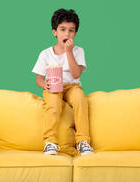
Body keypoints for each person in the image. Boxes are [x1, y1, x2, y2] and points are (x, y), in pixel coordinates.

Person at [32, 8, 94, 156]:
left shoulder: (78, 51)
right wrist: (44, 84)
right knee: (53, 105)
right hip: (53, 86)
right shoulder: (45, 54)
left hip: (72, 86)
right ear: (55, 32)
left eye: (71, 30)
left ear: (75, 33)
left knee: (80, 100)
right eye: (63, 29)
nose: (67, 34)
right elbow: (38, 78)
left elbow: (76, 73)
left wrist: (68, 52)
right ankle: (50, 142)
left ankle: (83, 141)